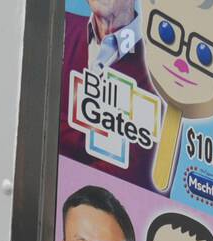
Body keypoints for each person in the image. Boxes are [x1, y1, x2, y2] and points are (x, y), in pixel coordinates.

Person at [59, 0, 157, 190]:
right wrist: (99, 141)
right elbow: (29, 118)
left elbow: (135, 174)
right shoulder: (59, 27)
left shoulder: (162, 73)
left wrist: (62, 128)